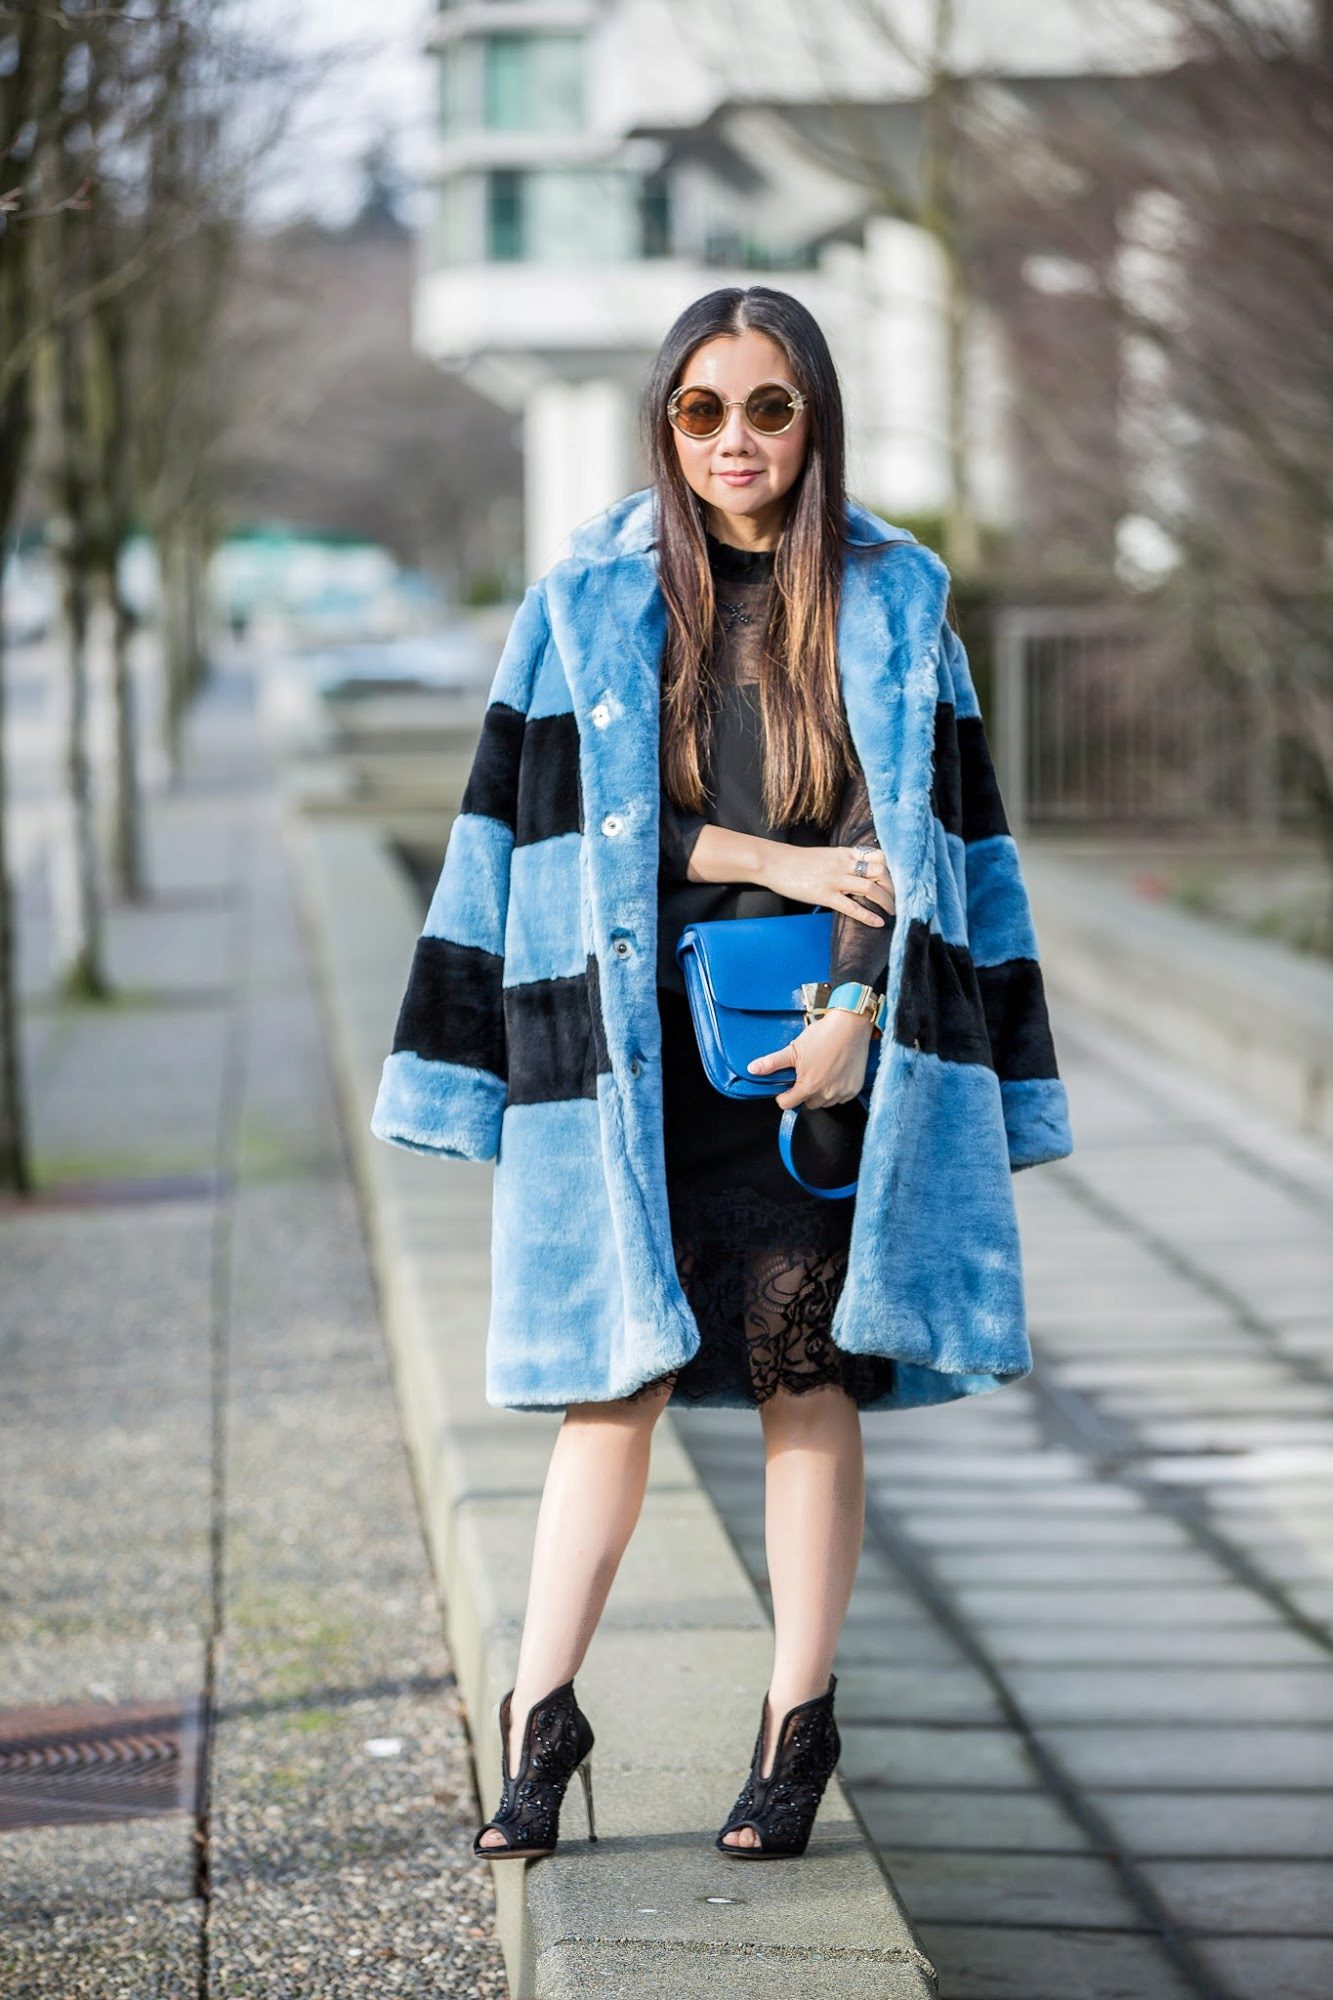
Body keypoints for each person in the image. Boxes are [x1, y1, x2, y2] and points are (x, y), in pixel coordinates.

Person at [370, 284, 1073, 1864]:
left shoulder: (892, 601)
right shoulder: (585, 600)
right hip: (629, 1065)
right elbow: (543, 823)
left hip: (811, 1044)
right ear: (665, 424)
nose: (734, 439)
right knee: (607, 1383)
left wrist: (855, 1016)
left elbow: (926, 843)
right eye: (701, 410)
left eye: (767, 406)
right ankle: (540, 1718)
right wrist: (767, 856)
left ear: (813, 419)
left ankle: (794, 1721)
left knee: (800, 1377)